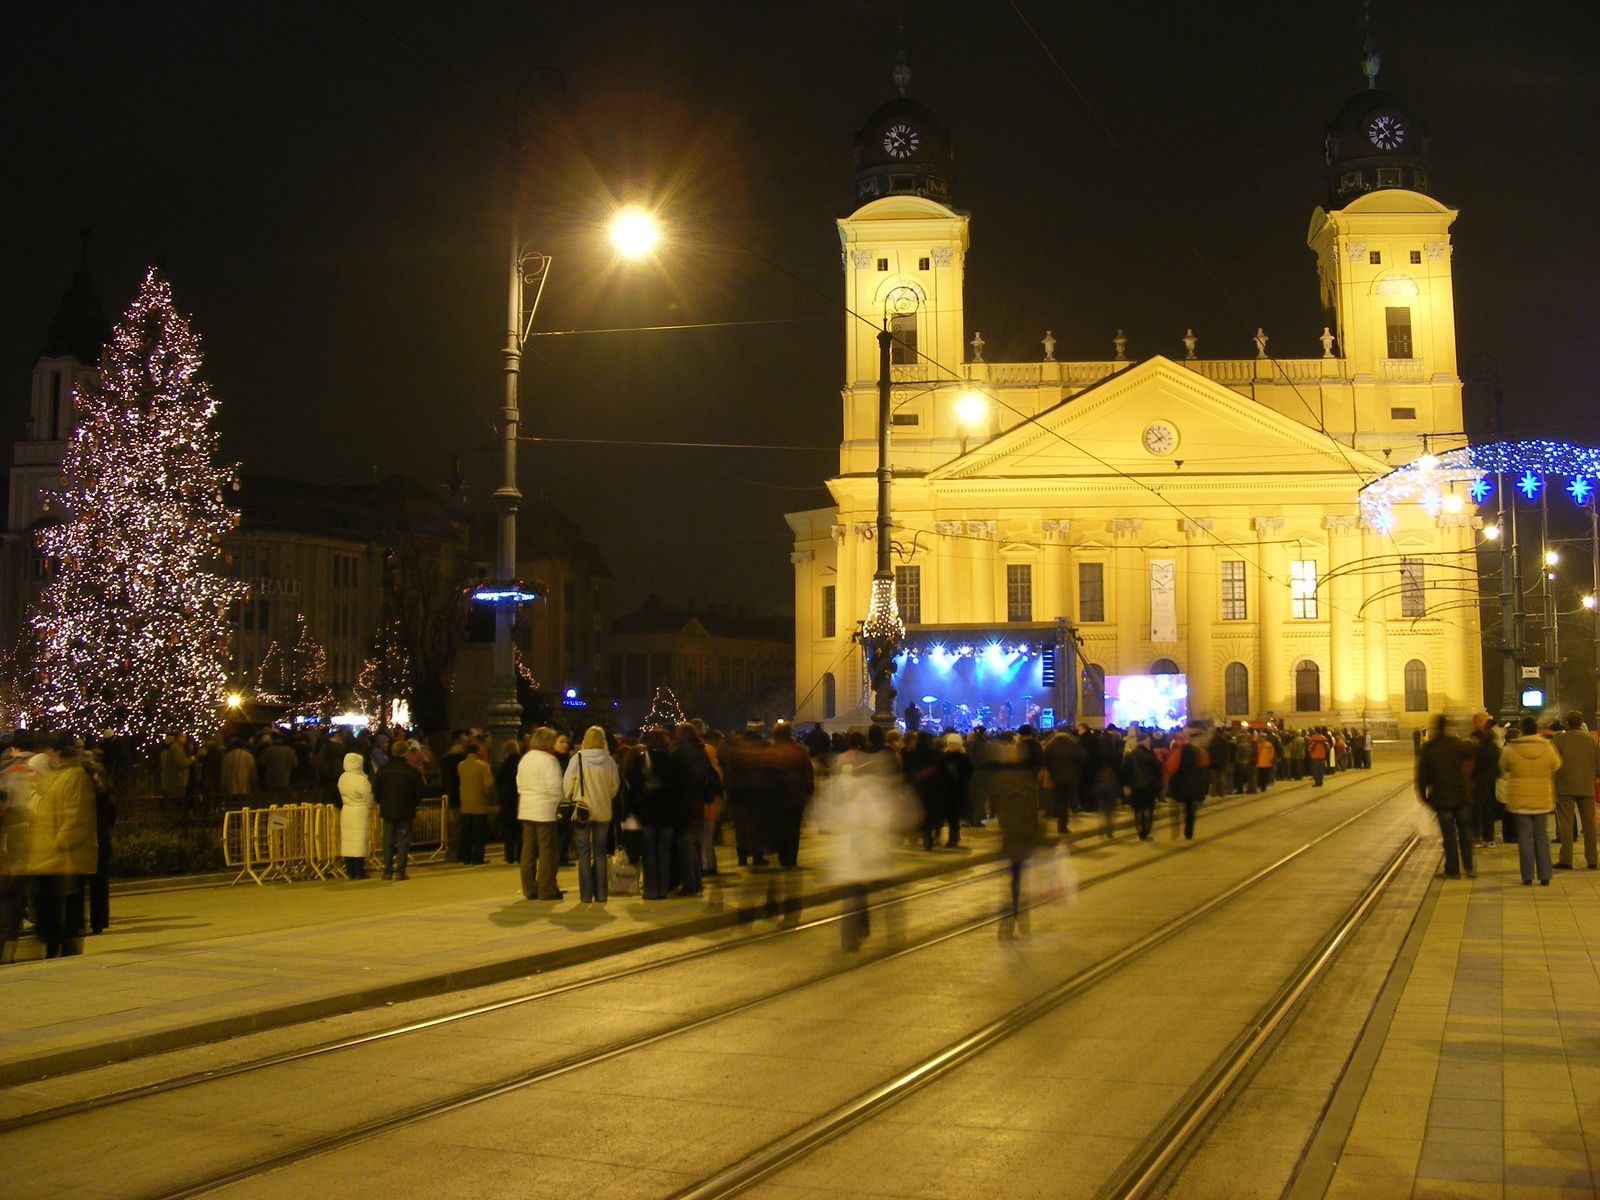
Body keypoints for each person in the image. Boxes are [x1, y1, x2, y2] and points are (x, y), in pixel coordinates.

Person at [26, 739, 97, 957]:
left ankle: (65, 947)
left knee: (67, 908)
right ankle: (58, 945)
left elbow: (76, 816)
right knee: (55, 906)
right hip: (54, 858)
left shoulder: (74, 777)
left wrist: (59, 843)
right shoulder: (61, 777)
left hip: (66, 857)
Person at [1499, 716, 1560, 886]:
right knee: (1541, 836)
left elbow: (1502, 766)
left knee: (1525, 837)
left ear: (1522, 731)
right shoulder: (1547, 748)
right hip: (1542, 799)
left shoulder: (1512, 749)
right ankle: (1545, 875)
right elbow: (1556, 765)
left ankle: (1527, 876)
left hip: (1519, 799)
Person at [564, 726, 620, 903]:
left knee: (583, 853)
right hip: (603, 811)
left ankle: (586, 895)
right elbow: (614, 788)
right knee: (600, 852)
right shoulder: (609, 761)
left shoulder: (577, 759)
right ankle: (602, 894)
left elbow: (567, 787)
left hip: (582, 812)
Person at [1415, 716, 1475, 879]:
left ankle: (1453, 870)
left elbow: (1421, 777)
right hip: (1461, 796)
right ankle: (1469, 867)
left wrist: (1424, 799)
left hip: (1441, 799)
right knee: (1465, 833)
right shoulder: (1455, 743)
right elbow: (1469, 752)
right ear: (1446, 727)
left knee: (1449, 836)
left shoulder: (1428, 748)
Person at [626, 730, 679, 900]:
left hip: (648, 812)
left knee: (649, 852)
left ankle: (651, 889)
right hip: (668, 814)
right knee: (664, 852)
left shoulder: (642, 760)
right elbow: (680, 789)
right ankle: (663, 888)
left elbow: (634, 789)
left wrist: (632, 811)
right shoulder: (672, 761)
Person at [516, 727, 565, 901]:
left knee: (528, 850)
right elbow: (556, 788)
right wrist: (560, 802)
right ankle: (547, 889)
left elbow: (520, 785)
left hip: (526, 809)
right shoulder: (549, 760)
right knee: (547, 851)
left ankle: (529, 888)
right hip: (545, 811)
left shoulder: (525, 759)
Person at [1549, 711, 1598, 871]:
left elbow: (1554, 762)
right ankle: (1592, 859)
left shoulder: (1559, 739)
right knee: (1589, 824)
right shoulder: (1591, 739)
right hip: (1586, 786)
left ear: (1567, 723)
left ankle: (1566, 859)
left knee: (1567, 824)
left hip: (1565, 786)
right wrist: (1593, 776)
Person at [767, 721, 814, 868]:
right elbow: (808, 772)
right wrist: (809, 790)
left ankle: (782, 857)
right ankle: (791, 859)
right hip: (796, 796)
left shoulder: (771, 751)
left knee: (780, 827)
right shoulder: (799, 750)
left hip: (776, 797)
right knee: (793, 829)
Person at [374, 742, 423, 881]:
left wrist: (381, 801)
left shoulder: (383, 769)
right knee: (403, 841)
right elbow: (419, 790)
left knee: (388, 840)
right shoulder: (412, 770)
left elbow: (376, 788)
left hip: (388, 809)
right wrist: (414, 803)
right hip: (406, 809)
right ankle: (400, 871)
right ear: (405, 753)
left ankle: (387, 870)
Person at [337, 752, 374, 879]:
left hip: (346, 810)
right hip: (360, 811)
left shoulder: (342, 778)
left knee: (348, 841)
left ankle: (349, 870)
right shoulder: (360, 780)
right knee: (359, 841)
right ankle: (359, 871)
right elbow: (369, 797)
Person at [455, 742, 493, 866]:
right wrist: (488, 798)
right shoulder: (482, 766)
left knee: (466, 833)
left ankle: (466, 857)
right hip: (479, 803)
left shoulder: (461, 765)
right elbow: (487, 785)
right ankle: (478, 857)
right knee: (478, 833)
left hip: (465, 803)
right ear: (477, 752)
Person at [1169, 737, 1209, 840]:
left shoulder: (1177, 753)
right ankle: (1189, 831)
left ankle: (1176, 831)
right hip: (1195, 785)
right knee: (1191, 810)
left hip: (1180, 785)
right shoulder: (1198, 752)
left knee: (1179, 808)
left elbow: (1171, 768)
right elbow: (1205, 765)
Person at [1469, 726, 1502, 848]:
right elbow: (1499, 767)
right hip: (1491, 784)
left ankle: (1477, 838)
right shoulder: (1495, 749)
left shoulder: (1477, 749)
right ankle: (1489, 838)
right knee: (1489, 811)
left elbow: (1474, 767)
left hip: (1478, 784)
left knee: (1477, 811)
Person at [1124, 734, 1161, 840]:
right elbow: (1158, 766)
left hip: (1135, 787)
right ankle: (1146, 831)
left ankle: (1139, 830)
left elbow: (1125, 771)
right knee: (1148, 809)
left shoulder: (1130, 755)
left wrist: (1127, 785)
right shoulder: (1148, 754)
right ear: (1146, 742)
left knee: (1138, 809)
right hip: (1149, 786)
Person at [496, 739, 522, 864]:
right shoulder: (522, 762)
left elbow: (499, 783)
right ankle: (520, 855)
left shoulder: (505, 766)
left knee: (509, 832)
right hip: (521, 800)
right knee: (521, 831)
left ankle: (509, 856)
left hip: (508, 802)